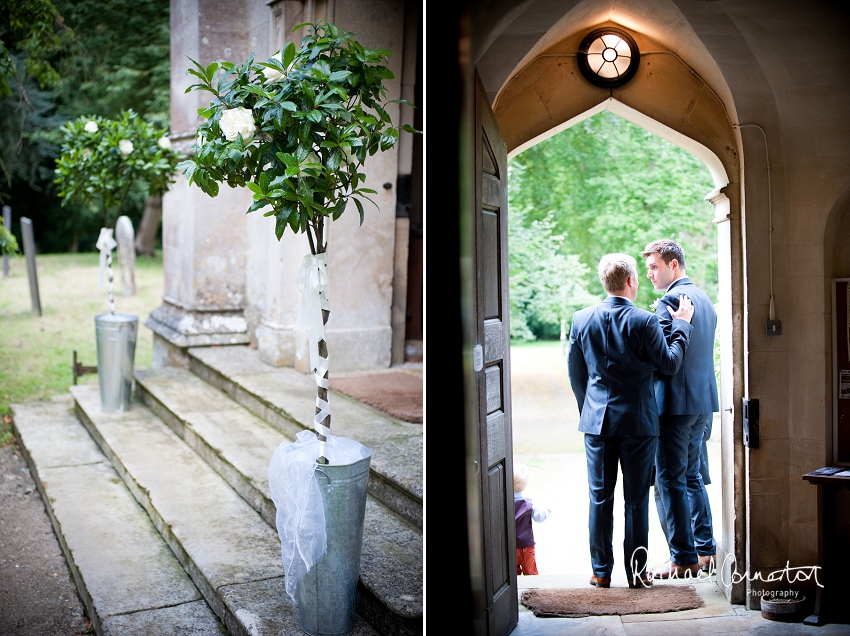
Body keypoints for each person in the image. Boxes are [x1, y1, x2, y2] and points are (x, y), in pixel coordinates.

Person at [567, 253, 694, 589]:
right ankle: (636, 575)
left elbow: (576, 375)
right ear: (630, 282)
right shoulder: (644, 321)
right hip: (638, 424)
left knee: (599, 498)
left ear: (604, 282)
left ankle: (600, 572)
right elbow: (668, 364)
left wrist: (590, 409)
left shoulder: (581, 319)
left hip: (597, 423)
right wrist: (681, 326)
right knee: (636, 500)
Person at [642, 239, 719, 579]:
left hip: (673, 406)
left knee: (668, 480)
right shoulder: (703, 298)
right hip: (701, 403)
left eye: (654, 267)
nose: (649, 274)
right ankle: (705, 550)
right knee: (689, 477)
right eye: (646, 268)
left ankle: (683, 558)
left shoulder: (669, 301)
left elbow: (662, 361)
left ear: (673, 265)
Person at [513, 463, 551, 575]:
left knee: (512, 575)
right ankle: (533, 591)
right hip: (527, 546)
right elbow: (540, 517)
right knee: (531, 573)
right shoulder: (529, 504)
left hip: (510, 546)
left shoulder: (503, 503)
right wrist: (548, 510)